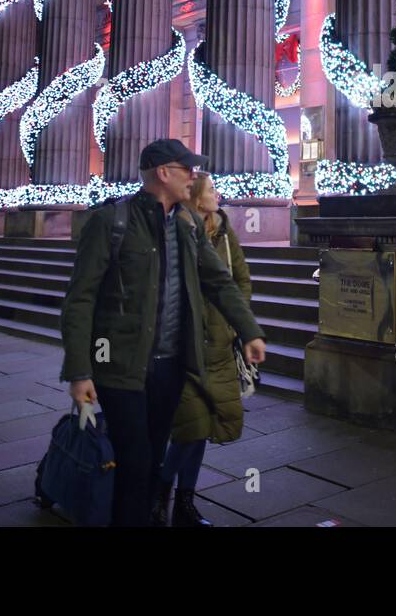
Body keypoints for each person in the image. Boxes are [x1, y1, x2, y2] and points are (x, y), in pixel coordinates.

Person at [59, 139, 266, 527]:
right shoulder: (112, 222)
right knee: (135, 464)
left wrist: (249, 330)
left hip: (171, 368)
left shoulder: (187, 227)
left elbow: (221, 282)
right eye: (186, 168)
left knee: (152, 461)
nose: (194, 175)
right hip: (120, 367)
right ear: (163, 173)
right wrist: (79, 371)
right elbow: (80, 299)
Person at [152, 172, 252, 527]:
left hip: (220, 347)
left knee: (204, 427)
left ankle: (184, 504)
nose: (218, 194)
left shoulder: (224, 231)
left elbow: (240, 278)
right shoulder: (175, 231)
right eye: (211, 189)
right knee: (190, 427)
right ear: (194, 196)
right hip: (184, 346)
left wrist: (235, 322)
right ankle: (160, 492)